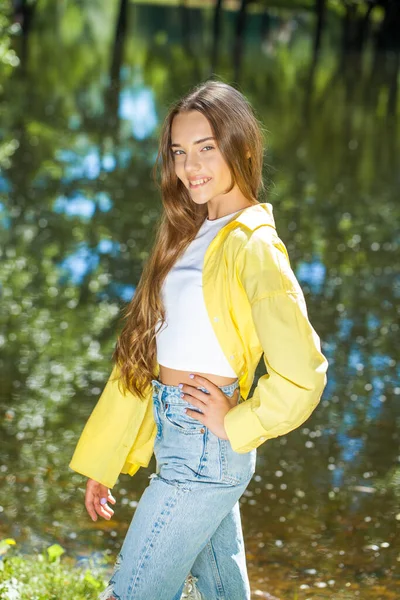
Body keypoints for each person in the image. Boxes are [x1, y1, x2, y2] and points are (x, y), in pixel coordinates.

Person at [69, 79, 328, 600]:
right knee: (223, 593)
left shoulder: (255, 246)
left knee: (132, 591)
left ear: (243, 146)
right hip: (181, 443)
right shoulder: (185, 236)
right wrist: (105, 463)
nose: (191, 166)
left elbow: (304, 370)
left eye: (206, 148)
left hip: (209, 449)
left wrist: (239, 421)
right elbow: (141, 359)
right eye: (180, 152)